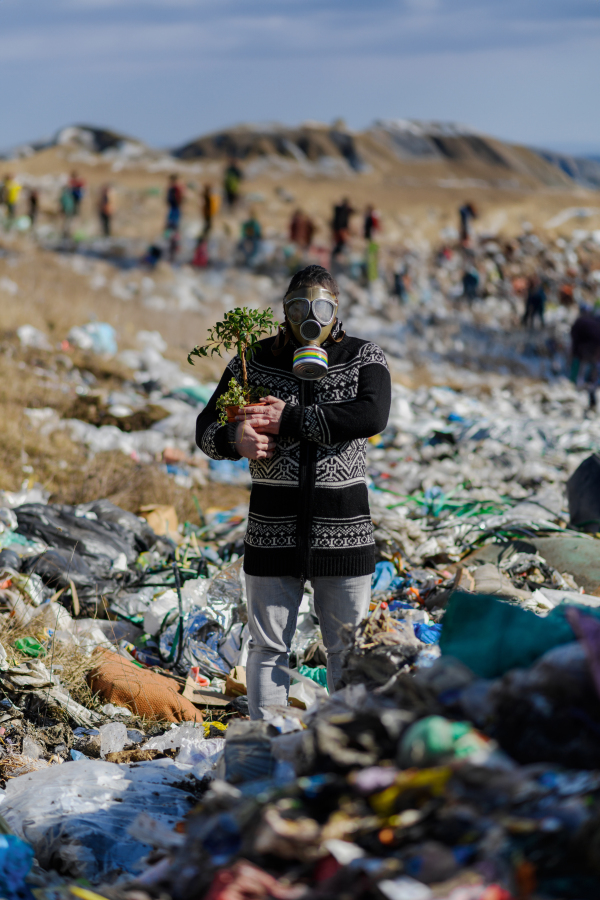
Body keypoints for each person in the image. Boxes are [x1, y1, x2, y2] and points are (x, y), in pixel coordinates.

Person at [196, 264, 391, 719]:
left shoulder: (364, 357)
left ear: (336, 310)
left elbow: (371, 416)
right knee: (266, 649)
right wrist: (234, 439)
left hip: (343, 535)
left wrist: (291, 419)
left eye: (321, 307)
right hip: (271, 531)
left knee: (346, 650)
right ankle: (267, 751)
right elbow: (206, 427)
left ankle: (338, 753)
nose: (311, 316)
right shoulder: (253, 359)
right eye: (299, 306)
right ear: (284, 311)